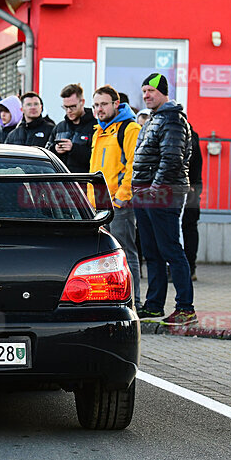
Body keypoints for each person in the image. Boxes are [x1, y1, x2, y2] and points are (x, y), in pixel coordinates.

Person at [132, 73, 195, 326]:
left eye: (151, 91)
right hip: (144, 194)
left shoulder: (173, 119)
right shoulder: (154, 119)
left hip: (163, 194)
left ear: (163, 92)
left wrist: (155, 189)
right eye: (144, 90)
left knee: (170, 250)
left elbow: (171, 159)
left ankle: (185, 308)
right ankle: (154, 306)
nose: (146, 95)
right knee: (152, 251)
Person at [90, 85, 142, 311]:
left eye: (103, 104)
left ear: (115, 104)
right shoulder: (99, 130)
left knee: (126, 254)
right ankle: (110, 301)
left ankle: (134, 301)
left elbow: (134, 166)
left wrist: (122, 197)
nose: (99, 109)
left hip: (119, 204)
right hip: (97, 205)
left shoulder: (130, 129)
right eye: (95, 105)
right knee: (103, 257)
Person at [49, 83, 96, 173]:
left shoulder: (95, 127)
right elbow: (47, 153)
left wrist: (74, 149)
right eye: (65, 107)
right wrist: (55, 150)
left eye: (73, 106)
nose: (69, 111)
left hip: (84, 182)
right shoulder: (59, 128)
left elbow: (98, 158)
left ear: (82, 102)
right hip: (60, 183)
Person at [183, 128, 203, 281]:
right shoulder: (191, 134)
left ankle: (189, 268)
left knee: (187, 228)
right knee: (189, 228)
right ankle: (190, 268)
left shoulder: (183, 134)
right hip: (192, 187)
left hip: (188, 188)